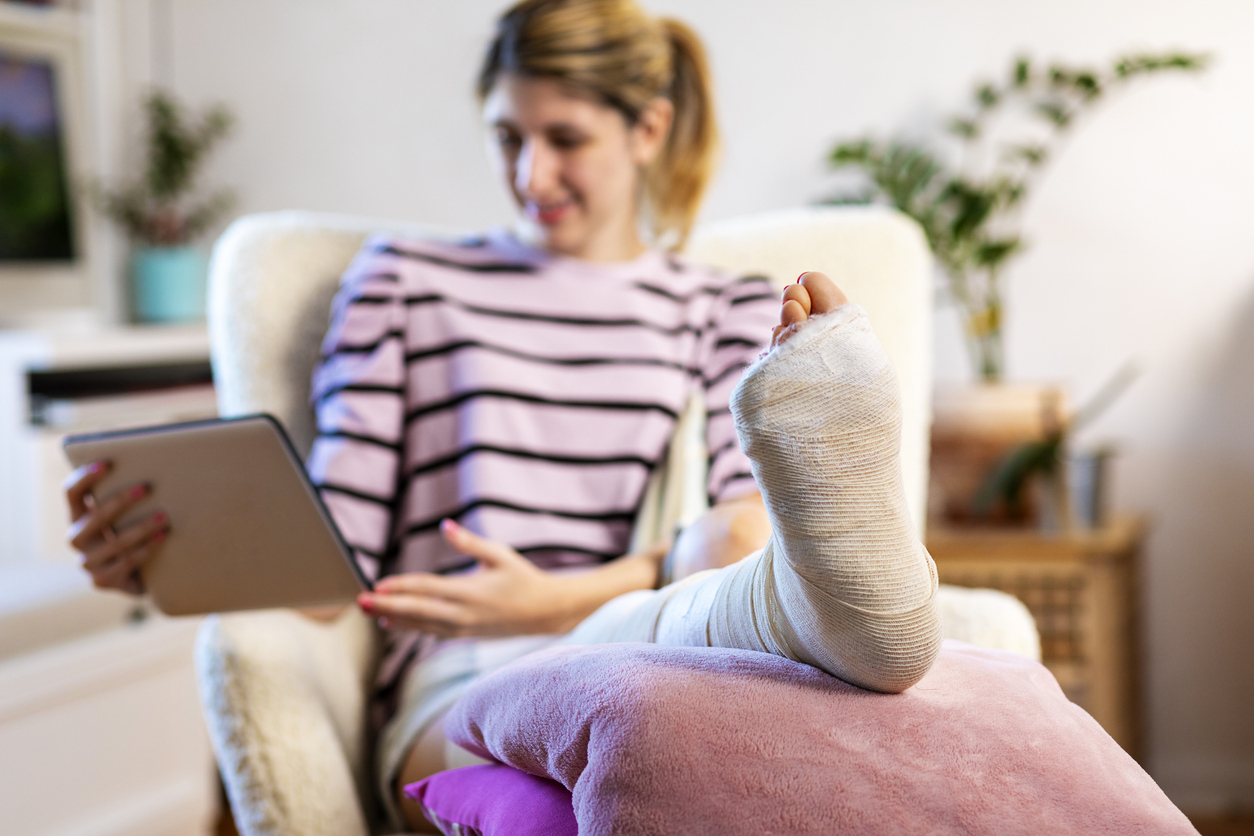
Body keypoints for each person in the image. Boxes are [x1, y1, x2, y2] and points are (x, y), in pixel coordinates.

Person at [64, 1, 940, 832]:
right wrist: (174, 554)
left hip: (654, 652)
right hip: (459, 680)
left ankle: (859, 610)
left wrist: (551, 601)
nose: (532, 175)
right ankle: (861, 633)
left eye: (566, 140)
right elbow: (336, 567)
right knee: (597, 796)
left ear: (648, 130)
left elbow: (741, 538)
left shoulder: (723, 309)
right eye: (506, 138)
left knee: (733, 544)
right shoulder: (404, 282)